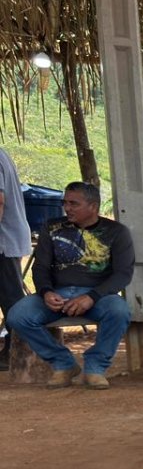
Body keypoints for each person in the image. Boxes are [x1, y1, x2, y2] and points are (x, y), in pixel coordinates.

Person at [7, 182, 133, 389]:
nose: (67, 208)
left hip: (98, 297)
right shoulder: (52, 227)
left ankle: (95, 368)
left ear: (93, 206)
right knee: (18, 315)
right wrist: (46, 292)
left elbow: (123, 274)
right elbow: (40, 268)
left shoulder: (116, 231)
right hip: (57, 294)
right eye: (65, 203)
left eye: (74, 203)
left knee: (119, 311)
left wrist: (92, 296)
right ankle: (63, 363)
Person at [0, 146, 32, 372]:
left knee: (10, 296)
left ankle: (16, 352)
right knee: (10, 295)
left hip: (3, 240)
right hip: (8, 237)